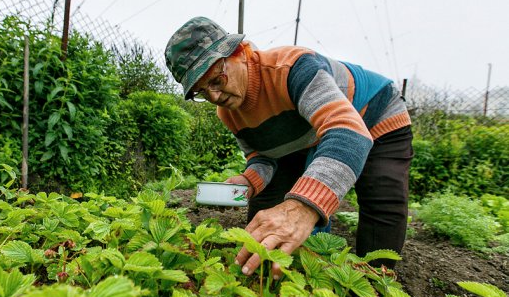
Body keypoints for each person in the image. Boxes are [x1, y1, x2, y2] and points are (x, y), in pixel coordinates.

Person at [165, 16, 413, 279]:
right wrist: (248, 181)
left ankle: (377, 284)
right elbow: (263, 157)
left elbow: (348, 131)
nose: (214, 97)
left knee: (380, 196)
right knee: (266, 204)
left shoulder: (292, 69)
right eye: (201, 92)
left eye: (216, 80)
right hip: (311, 132)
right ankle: (266, 274)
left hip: (373, 113)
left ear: (240, 52)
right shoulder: (228, 112)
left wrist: (302, 208)